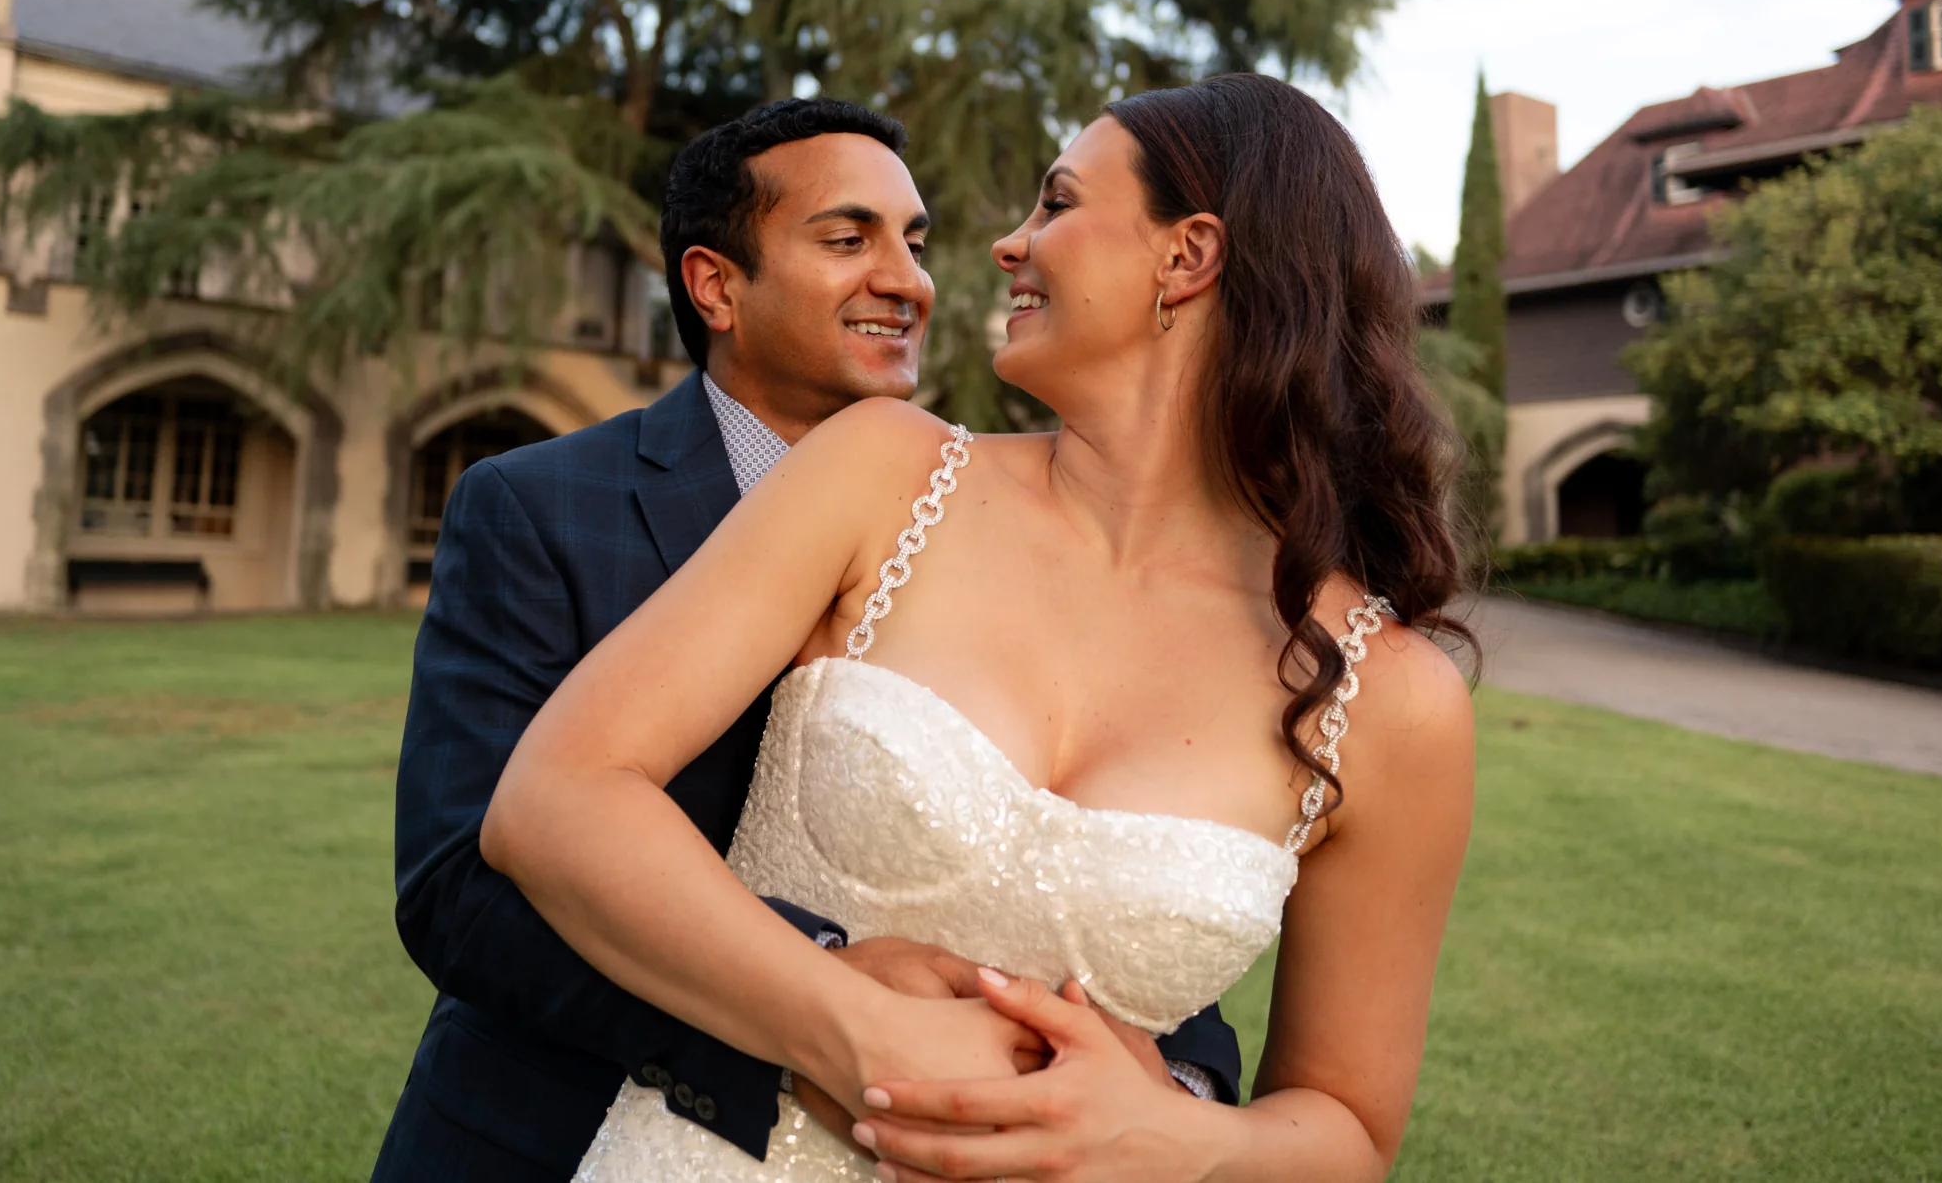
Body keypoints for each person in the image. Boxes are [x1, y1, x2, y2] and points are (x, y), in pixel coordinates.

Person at [486, 73, 1477, 1180]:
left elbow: (1347, 1129)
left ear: (1186, 256)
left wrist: (1173, 1137)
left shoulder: (1389, 697)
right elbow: (555, 798)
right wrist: (853, 1028)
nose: (1007, 245)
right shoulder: (883, 470)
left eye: (1055, 204)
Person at [367, 97, 1242, 1181]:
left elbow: (1108, 856)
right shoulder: (539, 506)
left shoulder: (1007, 523)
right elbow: (460, 885)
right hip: (548, 1140)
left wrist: (1173, 1086)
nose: (908, 279)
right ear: (715, 285)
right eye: (847, 239)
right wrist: (819, 996)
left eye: (913, 244)